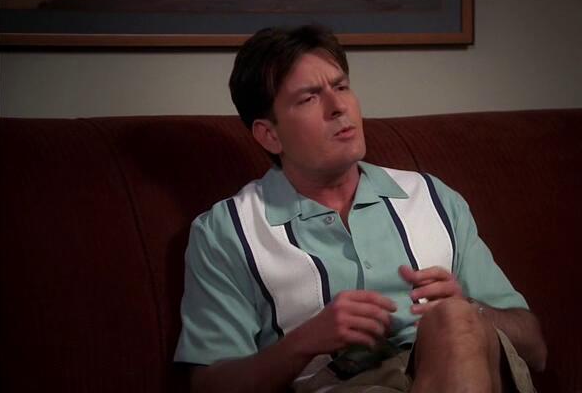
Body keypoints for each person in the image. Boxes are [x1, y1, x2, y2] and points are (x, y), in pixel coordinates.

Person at [174, 24, 547, 393]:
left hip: (463, 367)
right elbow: (209, 385)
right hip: (340, 384)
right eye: (309, 98)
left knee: (454, 320)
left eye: (341, 87)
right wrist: (304, 342)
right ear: (269, 135)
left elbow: (535, 347)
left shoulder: (432, 198)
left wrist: (470, 308)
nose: (339, 107)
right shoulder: (226, 231)